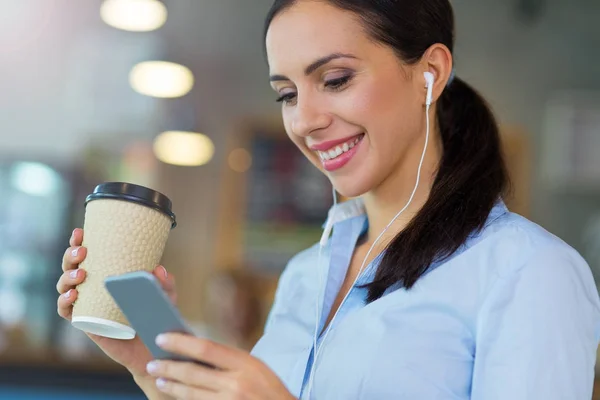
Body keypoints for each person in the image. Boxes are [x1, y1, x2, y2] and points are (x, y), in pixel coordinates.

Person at [57, 0, 600, 399]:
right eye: (288, 94)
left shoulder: (532, 272)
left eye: (336, 79)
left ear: (429, 73)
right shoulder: (304, 276)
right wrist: (150, 367)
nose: (305, 121)